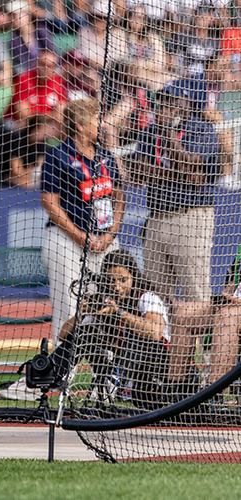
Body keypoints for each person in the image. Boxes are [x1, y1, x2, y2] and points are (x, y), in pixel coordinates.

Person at [0, 97, 125, 401]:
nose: (101, 124)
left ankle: (105, 381)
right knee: (69, 310)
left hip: (105, 243)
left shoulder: (105, 156)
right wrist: (81, 236)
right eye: (96, 119)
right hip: (67, 242)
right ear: (81, 125)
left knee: (106, 310)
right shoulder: (58, 156)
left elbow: (119, 195)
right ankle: (54, 378)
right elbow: (49, 202)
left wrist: (110, 234)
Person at [133, 85, 221, 401]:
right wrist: (173, 169)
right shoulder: (148, 131)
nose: (166, 107)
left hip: (192, 216)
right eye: (162, 102)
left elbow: (196, 172)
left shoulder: (201, 129)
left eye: (172, 102)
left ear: (185, 103)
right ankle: (167, 373)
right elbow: (139, 171)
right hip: (157, 217)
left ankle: (211, 373)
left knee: (198, 297)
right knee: (157, 296)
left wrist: (171, 149)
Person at [54, 250, 170, 409]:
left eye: (123, 280)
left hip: (155, 368)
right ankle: (49, 373)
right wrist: (82, 314)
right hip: (121, 364)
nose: (117, 287)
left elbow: (155, 332)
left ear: (133, 276)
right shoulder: (104, 301)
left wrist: (119, 313)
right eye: (112, 281)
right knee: (86, 332)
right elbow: (62, 336)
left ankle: (112, 382)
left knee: (139, 336)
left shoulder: (147, 297)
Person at [207, 243, 241, 393]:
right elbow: (231, 286)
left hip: (234, 312)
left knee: (227, 316)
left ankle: (215, 393)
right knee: (184, 313)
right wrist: (222, 298)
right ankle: (176, 389)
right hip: (233, 306)